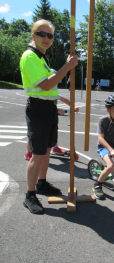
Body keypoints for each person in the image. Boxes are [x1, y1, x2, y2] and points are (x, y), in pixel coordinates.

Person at [20, 19, 78, 214]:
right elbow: (44, 85)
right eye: (42, 34)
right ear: (33, 35)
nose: (46, 38)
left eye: (50, 35)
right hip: (38, 109)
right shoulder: (30, 56)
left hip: (49, 109)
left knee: (46, 151)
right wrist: (67, 67)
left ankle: (42, 184)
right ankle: (29, 195)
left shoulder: (41, 58)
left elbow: (51, 85)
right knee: (37, 154)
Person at [24, 94, 79, 161]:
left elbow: (63, 99)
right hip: (37, 113)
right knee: (34, 133)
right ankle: (28, 153)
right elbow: (43, 107)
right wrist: (59, 110)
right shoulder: (41, 93)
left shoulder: (52, 92)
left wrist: (73, 106)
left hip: (50, 113)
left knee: (53, 130)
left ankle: (55, 148)